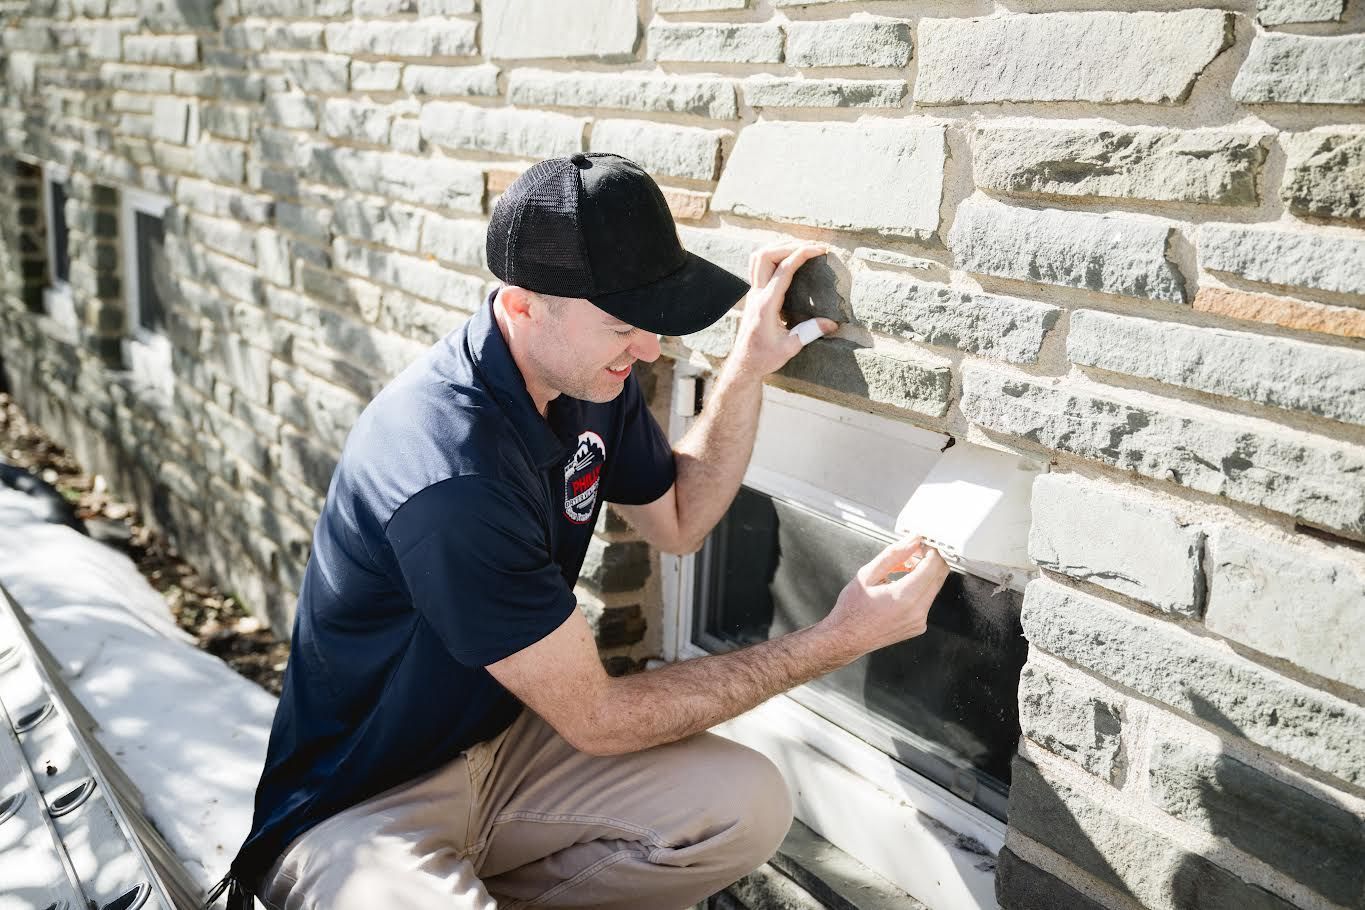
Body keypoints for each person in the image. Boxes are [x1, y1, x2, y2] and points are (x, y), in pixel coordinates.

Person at [208, 153, 949, 910]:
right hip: (365, 804)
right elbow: (597, 719)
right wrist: (836, 639)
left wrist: (746, 368)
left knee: (743, 803)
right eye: (624, 325)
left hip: (507, 752)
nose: (650, 349)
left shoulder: (586, 379)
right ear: (525, 304)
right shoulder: (452, 480)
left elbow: (682, 521)